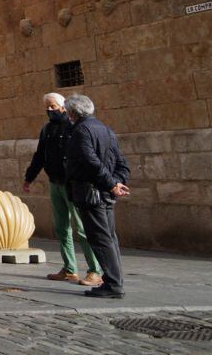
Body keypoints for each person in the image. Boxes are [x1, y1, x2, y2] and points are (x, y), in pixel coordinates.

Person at [23, 93, 102, 286]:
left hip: (72, 184)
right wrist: (29, 178)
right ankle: (69, 268)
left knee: (82, 229)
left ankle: (95, 270)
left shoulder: (75, 127)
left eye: (53, 106)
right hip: (55, 183)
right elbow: (40, 155)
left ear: (63, 107)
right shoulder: (47, 129)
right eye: (47, 107)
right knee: (61, 228)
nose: (50, 110)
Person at [64, 94, 130, 299]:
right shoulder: (106, 130)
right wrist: (117, 183)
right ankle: (115, 281)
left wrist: (111, 185)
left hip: (92, 194)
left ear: (72, 113)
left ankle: (113, 284)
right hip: (106, 193)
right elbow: (122, 164)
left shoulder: (80, 131)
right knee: (110, 237)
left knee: (100, 238)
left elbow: (90, 162)